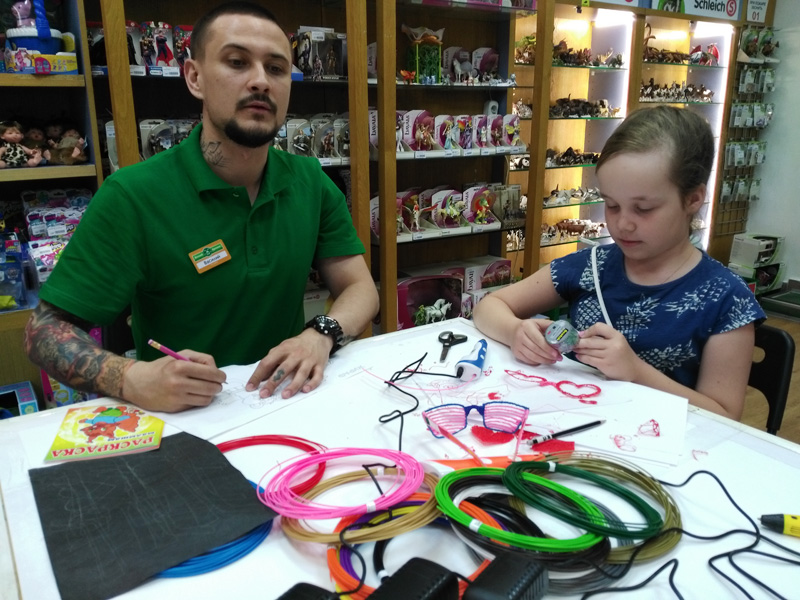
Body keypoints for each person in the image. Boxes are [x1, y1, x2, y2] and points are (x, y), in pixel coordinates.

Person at [24, 2, 378, 413]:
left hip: (285, 403)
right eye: (237, 62)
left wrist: (320, 334)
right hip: (183, 421)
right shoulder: (133, 195)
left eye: (276, 69)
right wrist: (132, 377)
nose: (260, 81)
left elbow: (360, 288)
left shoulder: (310, 182)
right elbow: (44, 330)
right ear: (194, 77)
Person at [473, 106, 765, 420]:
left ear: (693, 199)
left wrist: (636, 371)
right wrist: (516, 331)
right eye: (611, 205)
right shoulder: (590, 267)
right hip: (574, 424)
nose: (623, 224)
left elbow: (724, 416)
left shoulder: (727, 300)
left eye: (643, 209)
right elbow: (488, 307)